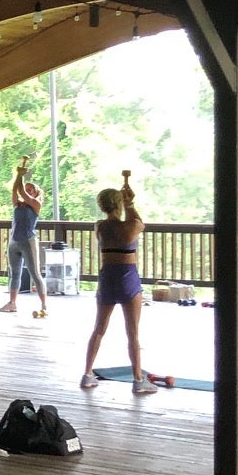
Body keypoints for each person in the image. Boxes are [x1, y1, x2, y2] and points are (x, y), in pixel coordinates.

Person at [80, 170, 154, 396]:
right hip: (128, 278)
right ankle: (138, 379)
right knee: (132, 333)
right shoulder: (129, 227)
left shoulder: (100, 227)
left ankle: (87, 374)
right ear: (119, 204)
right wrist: (131, 204)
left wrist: (125, 202)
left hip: (107, 278)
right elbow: (140, 224)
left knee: (99, 329)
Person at [0, 154, 49, 318]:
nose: (26, 191)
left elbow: (20, 190)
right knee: (15, 273)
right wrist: (19, 176)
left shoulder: (36, 204)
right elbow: (16, 190)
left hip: (28, 241)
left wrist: (20, 175)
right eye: (26, 188)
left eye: (30, 189)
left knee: (35, 274)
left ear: (35, 193)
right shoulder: (17, 204)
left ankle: (44, 305)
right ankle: (12, 303)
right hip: (14, 241)